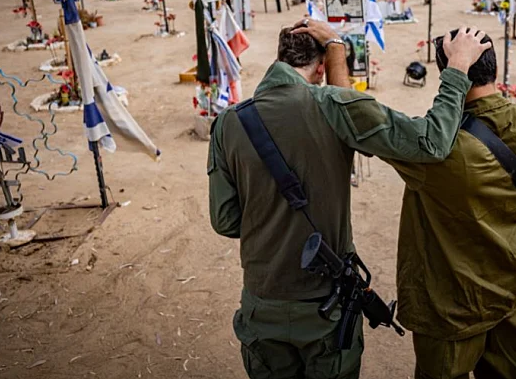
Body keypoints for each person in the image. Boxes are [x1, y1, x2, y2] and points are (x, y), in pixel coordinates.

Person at [208, 21, 491, 379]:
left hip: (262, 304)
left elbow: (226, 221)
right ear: (322, 67)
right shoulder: (333, 105)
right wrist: (458, 69)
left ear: (279, 58)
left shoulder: (228, 122)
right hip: (324, 308)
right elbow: (431, 143)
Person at [382, 30, 516, 379]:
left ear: (446, 72)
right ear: (494, 67)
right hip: (508, 294)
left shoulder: (431, 150)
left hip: (449, 309)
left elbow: (361, 123)